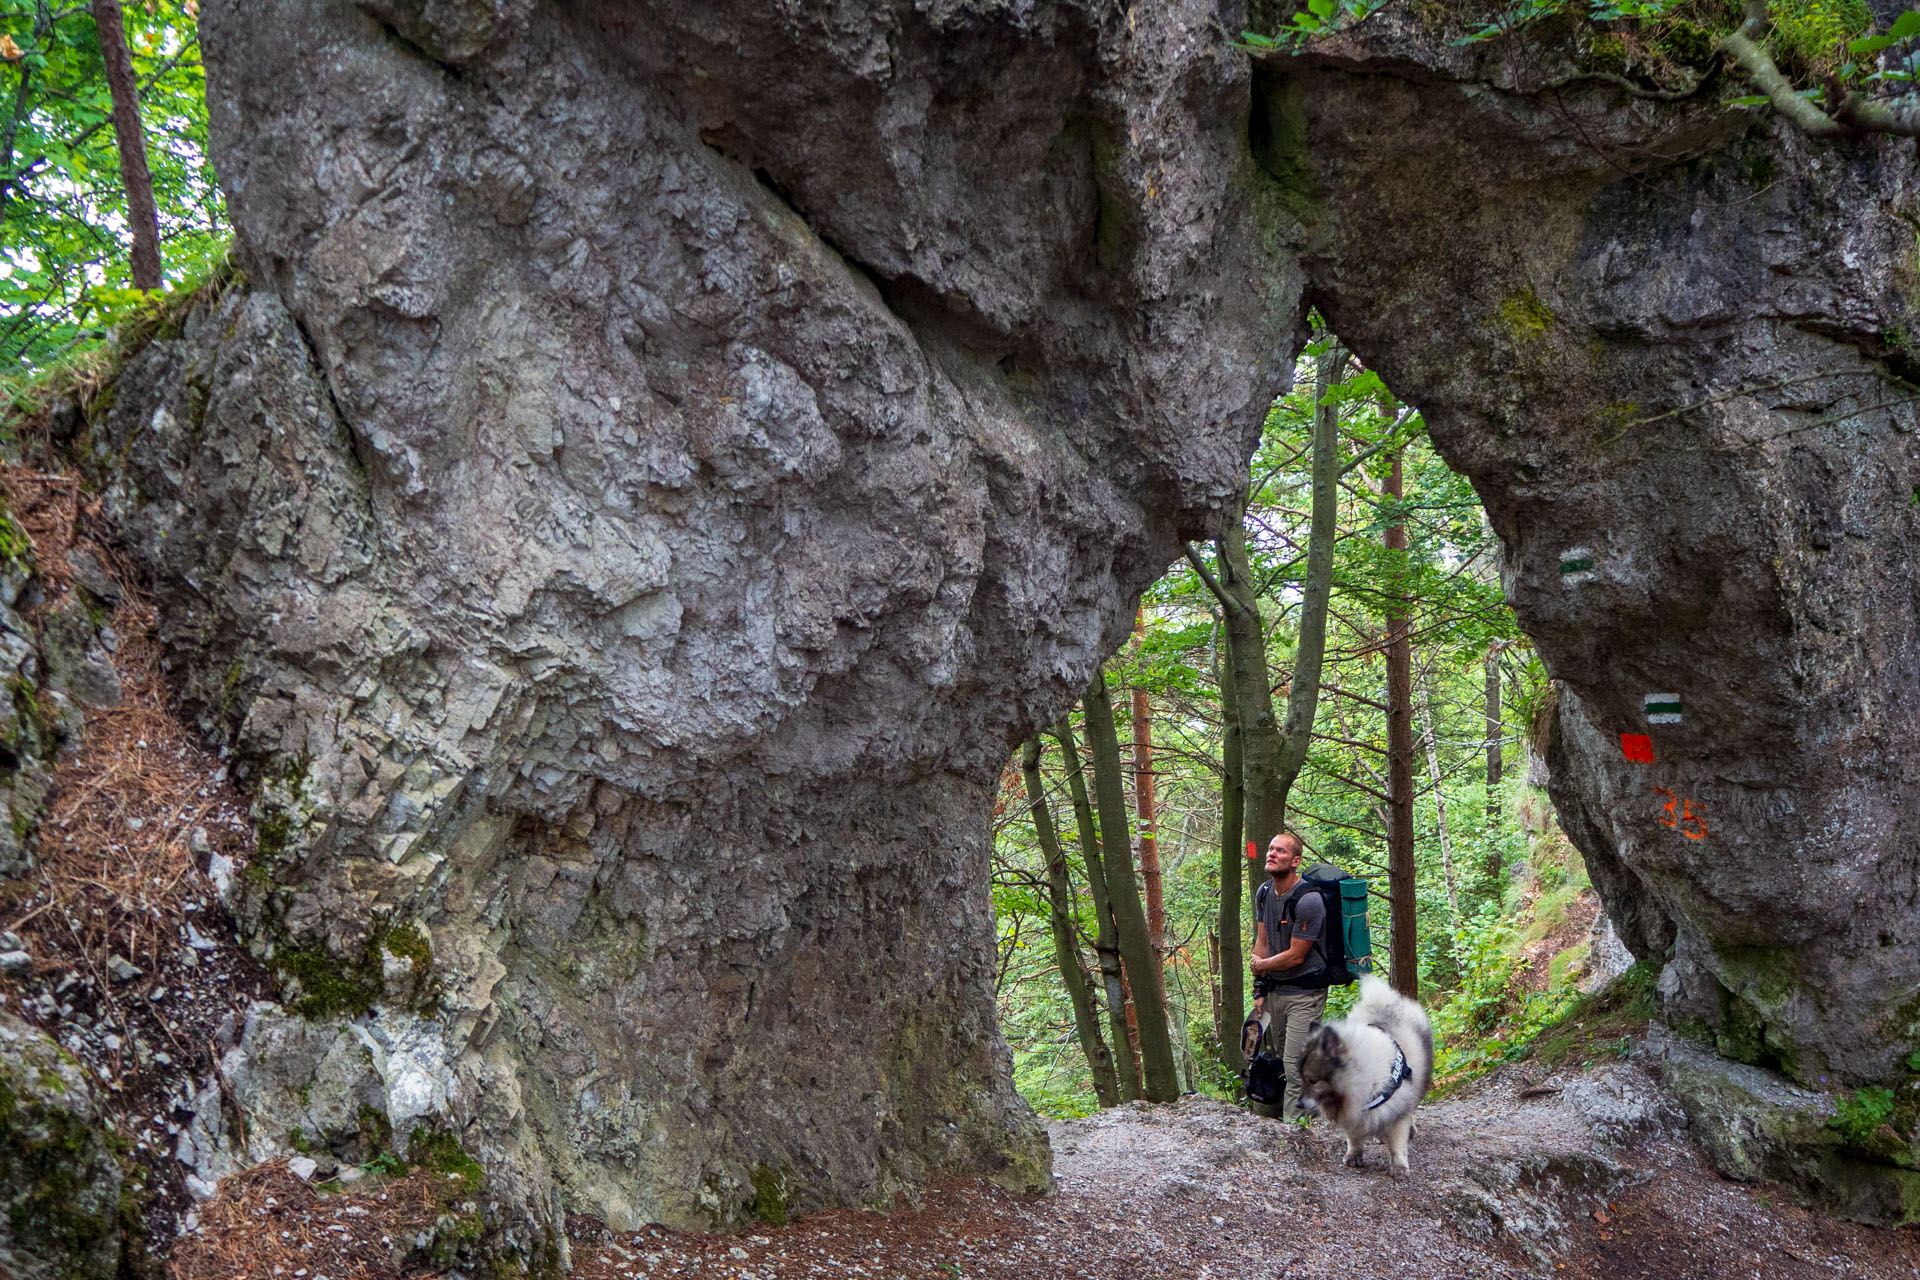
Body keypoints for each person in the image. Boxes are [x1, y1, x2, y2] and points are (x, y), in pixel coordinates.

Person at [1250, 830, 1327, 1118]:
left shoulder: (1308, 900)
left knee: (1296, 1069)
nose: (1272, 854)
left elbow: (1296, 956)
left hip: (1306, 994)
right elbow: (1264, 942)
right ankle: (1319, 1113)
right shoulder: (1264, 893)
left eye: (1280, 851)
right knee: (1289, 1064)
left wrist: (1261, 966)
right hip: (1277, 992)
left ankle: (1292, 1136)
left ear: (1295, 861)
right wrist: (1260, 988)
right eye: (1270, 849)